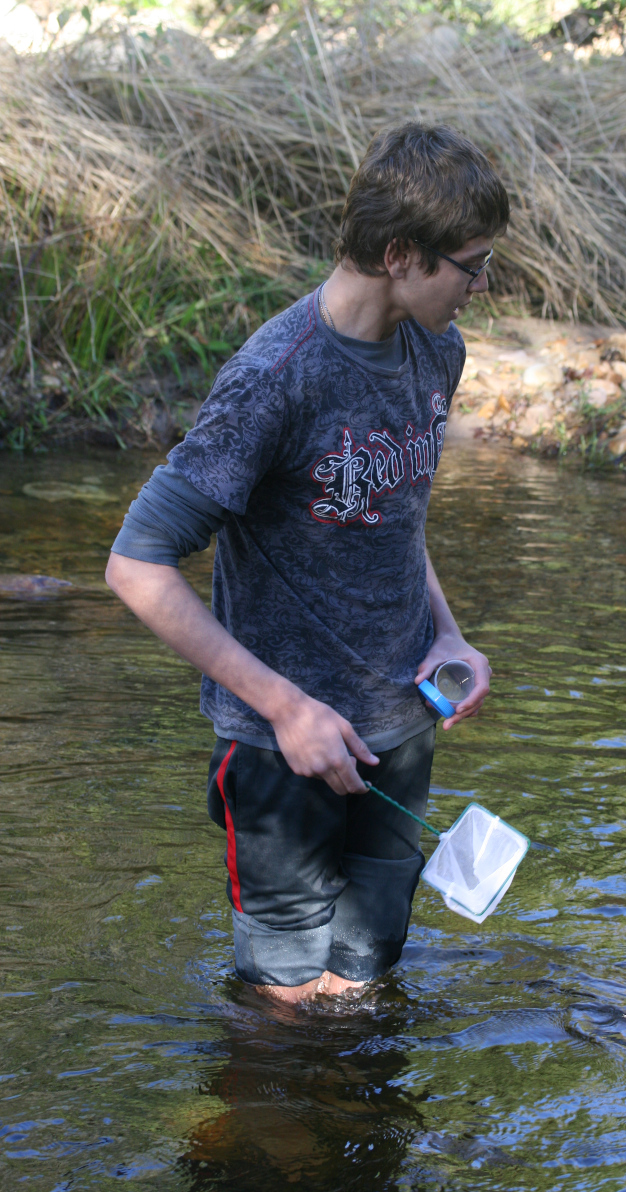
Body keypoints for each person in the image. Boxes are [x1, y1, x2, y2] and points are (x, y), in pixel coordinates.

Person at [105, 123, 510, 1004]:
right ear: (401, 254)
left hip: (402, 730)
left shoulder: (436, 347)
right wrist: (287, 709)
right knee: (281, 1013)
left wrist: (450, 636)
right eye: (470, 264)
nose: (483, 285)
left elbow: (397, 511)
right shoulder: (274, 379)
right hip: (282, 752)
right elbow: (135, 566)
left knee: (366, 987)